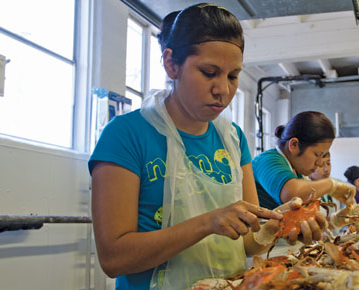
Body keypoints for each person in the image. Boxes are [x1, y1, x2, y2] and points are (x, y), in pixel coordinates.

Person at [89, 4, 294, 289]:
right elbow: (113, 258)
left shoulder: (233, 139)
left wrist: (279, 226)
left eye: (233, 76)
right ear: (172, 64)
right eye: (209, 72)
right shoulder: (126, 135)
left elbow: (247, 242)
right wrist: (207, 223)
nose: (223, 89)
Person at [252, 111, 356, 211]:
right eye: (317, 155)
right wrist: (331, 185)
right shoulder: (268, 161)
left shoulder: (297, 172)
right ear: (294, 145)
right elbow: (292, 194)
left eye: (323, 156)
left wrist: (333, 222)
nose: (319, 163)